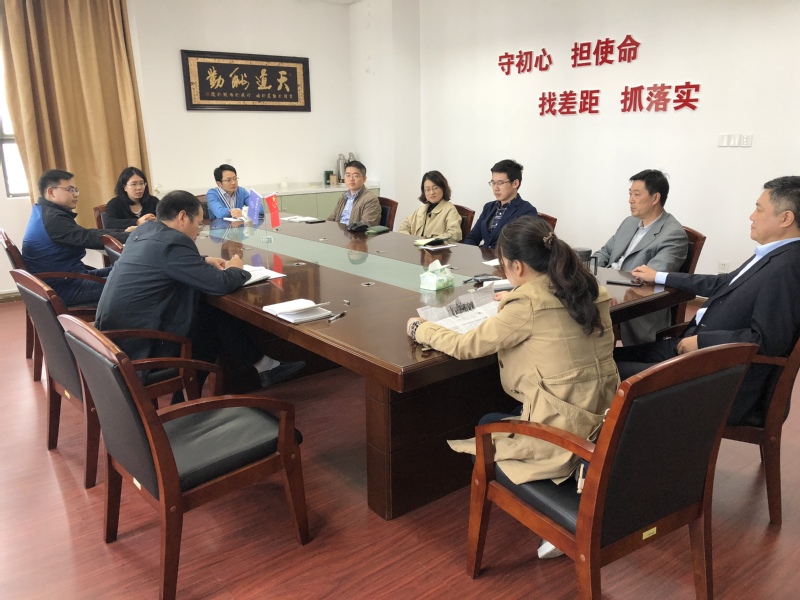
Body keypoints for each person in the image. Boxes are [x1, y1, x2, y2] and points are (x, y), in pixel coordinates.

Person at [407, 216, 619, 557]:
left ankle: (565, 507)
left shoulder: (527, 305)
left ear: (517, 267)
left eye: (504, 265)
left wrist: (421, 328)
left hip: (566, 428)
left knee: (487, 422)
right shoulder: (589, 288)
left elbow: (465, 346)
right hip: (607, 418)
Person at [615, 176, 800, 425]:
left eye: (759, 209)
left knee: (600, 371)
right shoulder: (775, 256)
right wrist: (659, 276)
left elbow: (767, 340)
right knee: (605, 359)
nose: (751, 216)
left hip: (716, 374)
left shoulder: (787, 267)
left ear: (786, 218)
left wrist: (703, 341)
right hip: (697, 353)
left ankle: (608, 443)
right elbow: (723, 283)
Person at [95, 190, 305, 393]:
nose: (199, 229)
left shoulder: (145, 231)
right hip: (142, 346)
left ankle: (261, 367)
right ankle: (190, 402)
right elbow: (220, 284)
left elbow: (162, 262)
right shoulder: (173, 243)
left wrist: (202, 260)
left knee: (209, 312)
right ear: (182, 217)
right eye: (198, 222)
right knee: (210, 326)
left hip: (114, 340)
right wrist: (236, 269)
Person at [592, 169, 688, 345]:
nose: (630, 200)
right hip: (607, 290)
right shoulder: (629, 222)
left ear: (655, 198)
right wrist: (586, 268)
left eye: (636, 194)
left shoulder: (673, 234)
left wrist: (604, 281)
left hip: (637, 304)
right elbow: (605, 252)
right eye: (630, 194)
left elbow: (648, 277)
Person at [22, 169, 132, 306]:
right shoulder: (53, 218)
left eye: (75, 190)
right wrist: (132, 236)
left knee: (127, 268)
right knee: (136, 283)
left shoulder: (43, 212)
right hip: (64, 288)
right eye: (70, 190)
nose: (75, 194)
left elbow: (85, 233)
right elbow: (88, 237)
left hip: (65, 279)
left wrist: (124, 232)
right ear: (51, 192)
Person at [462, 159, 538, 248]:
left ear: (515, 183)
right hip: (483, 255)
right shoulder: (488, 207)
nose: (495, 188)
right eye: (493, 183)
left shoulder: (527, 211)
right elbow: (473, 237)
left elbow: (522, 247)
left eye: (500, 183)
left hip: (504, 257)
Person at [398, 170, 462, 241]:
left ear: (443, 188)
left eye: (435, 188)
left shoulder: (450, 209)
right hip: (415, 246)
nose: (431, 193)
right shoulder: (421, 209)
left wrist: (431, 241)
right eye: (427, 189)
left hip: (436, 248)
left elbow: (454, 235)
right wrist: (410, 239)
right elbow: (404, 226)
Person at [327, 160, 381, 227]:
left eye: (356, 176)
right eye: (348, 175)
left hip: (354, 233)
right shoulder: (343, 197)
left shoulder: (370, 199)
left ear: (364, 179)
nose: (351, 179)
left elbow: (366, 224)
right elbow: (332, 218)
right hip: (339, 231)